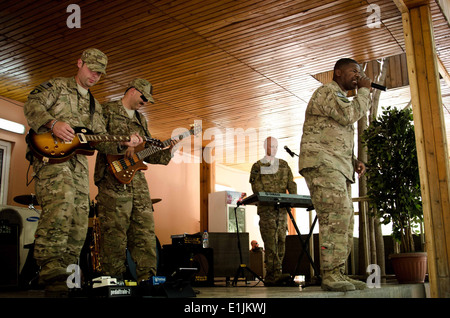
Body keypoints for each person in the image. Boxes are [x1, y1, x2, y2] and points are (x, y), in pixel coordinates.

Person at [23, 48, 142, 295]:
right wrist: (53, 123)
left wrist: (123, 142)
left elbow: (101, 142)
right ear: (79, 63)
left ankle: (66, 279)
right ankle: (51, 276)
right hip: (52, 161)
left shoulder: (94, 107)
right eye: (91, 70)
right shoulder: (57, 86)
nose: (95, 76)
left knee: (79, 220)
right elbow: (32, 105)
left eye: (100, 73)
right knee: (60, 209)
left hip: (78, 166)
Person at [298, 58, 371, 292]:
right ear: (338, 72)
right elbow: (350, 115)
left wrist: (353, 161)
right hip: (322, 164)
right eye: (353, 71)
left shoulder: (339, 97)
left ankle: (338, 271)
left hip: (336, 164)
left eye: (359, 73)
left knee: (345, 215)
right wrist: (365, 91)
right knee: (336, 213)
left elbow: (333, 135)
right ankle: (330, 274)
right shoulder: (328, 92)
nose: (357, 76)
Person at [94, 78, 176, 283]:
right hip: (112, 178)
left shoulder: (141, 120)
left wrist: (170, 149)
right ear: (131, 91)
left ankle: (148, 280)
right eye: (143, 97)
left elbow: (146, 154)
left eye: (148, 100)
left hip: (138, 183)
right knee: (114, 232)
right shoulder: (106, 110)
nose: (145, 102)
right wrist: (123, 143)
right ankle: (113, 281)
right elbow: (96, 139)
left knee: (145, 231)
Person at [249, 136, 297, 286]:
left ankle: (279, 272)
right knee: (270, 243)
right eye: (271, 146)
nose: (274, 149)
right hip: (267, 210)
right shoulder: (257, 166)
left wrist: (294, 198)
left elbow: (291, 183)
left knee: (282, 240)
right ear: (265, 147)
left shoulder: (284, 165)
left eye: (276, 146)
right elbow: (256, 187)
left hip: (282, 211)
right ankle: (271, 274)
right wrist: (269, 198)